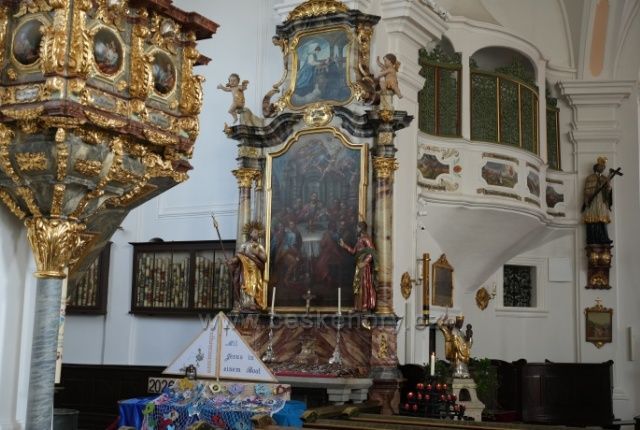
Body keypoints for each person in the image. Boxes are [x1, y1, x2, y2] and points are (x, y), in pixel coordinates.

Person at [227, 222, 267, 312]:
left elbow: (265, 258)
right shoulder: (244, 245)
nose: (257, 234)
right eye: (255, 232)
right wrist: (232, 261)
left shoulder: (259, 246)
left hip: (255, 269)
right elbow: (238, 256)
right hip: (245, 269)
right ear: (250, 234)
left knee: (254, 284)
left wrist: (257, 253)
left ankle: (254, 302)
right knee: (246, 284)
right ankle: (247, 303)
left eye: (258, 233)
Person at [339, 221, 376, 312]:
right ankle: (357, 306)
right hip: (359, 265)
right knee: (357, 285)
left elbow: (371, 252)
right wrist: (344, 245)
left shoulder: (366, 239)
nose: (356, 229)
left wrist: (364, 263)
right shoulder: (360, 239)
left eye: (358, 227)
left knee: (364, 285)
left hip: (364, 266)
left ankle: (364, 306)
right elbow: (353, 251)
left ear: (361, 228)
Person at [582, 157, 613, 245]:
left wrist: (608, 185)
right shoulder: (590, 178)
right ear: (596, 167)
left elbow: (608, 191)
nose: (602, 168)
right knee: (593, 218)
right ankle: (592, 238)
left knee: (602, 219)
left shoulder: (604, 178)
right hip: (593, 201)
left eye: (603, 167)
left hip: (602, 200)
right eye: (601, 166)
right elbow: (586, 190)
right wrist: (587, 199)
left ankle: (604, 237)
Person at [436, 312, 473, 378]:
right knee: (457, 364)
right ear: (457, 322)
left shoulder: (461, 332)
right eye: (459, 322)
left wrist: (469, 337)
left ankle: (463, 372)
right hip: (455, 351)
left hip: (462, 351)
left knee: (463, 366)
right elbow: (440, 325)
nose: (460, 324)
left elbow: (468, 343)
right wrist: (443, 319)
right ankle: (457, 372)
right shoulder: (452, 330)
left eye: (461, 323)